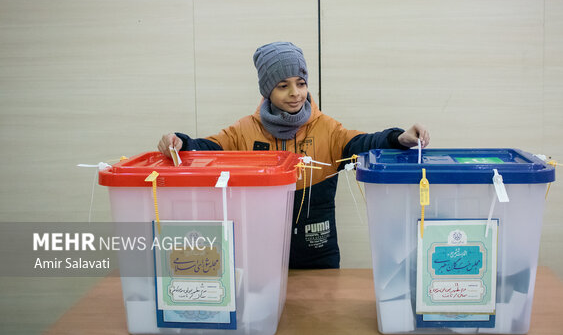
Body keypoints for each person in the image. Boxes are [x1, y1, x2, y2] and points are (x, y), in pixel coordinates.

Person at [158, 42, 429, 269]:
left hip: (318, 253)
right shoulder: (244, 130)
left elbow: (362, 142)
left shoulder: (326, 127)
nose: (295, 93)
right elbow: (209, 147)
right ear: (267, 90)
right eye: (283, 85)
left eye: (300, 83)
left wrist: (398, 138)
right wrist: (180, 142)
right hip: (259, 252)